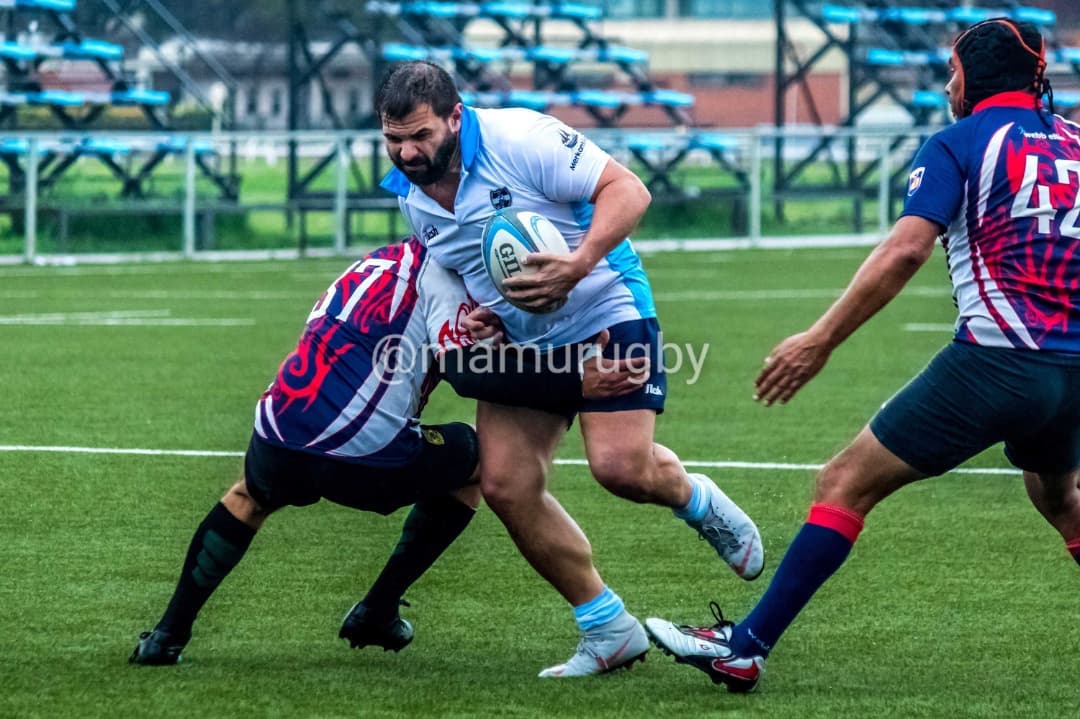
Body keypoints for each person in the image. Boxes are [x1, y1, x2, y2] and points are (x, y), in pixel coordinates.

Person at [644, 18, 1080, 692]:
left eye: (950, 73)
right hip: (1073, 372)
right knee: (1060, 499)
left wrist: (818, 339)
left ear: (970, 78)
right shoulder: (1077, 143)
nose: (945, 85)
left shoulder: (958, 142)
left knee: (843, 482)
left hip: (996, 359)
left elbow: (905, 249)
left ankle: (745, 646)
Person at [375, 61, 764, 678]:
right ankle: (606, 627)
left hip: (606, 304)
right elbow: (451, 265)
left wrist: (578, 262)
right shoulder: (408, 191)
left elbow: (630, 191)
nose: (407, 152)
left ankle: (696, 499)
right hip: (524, 340)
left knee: (621, 469)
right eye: (394, 139)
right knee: (504, 486)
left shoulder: (520, 139)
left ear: (455, 116)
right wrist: (474, 314)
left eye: (419, 135)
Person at [130, 236, 646, 665]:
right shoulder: (445, 277)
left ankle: (166, 636)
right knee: (476, 462)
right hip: (362, 454)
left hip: (278, 427)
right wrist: (575, 378)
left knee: (248, 497)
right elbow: (468, 374)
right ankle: (377, 611)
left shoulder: (375, 261)